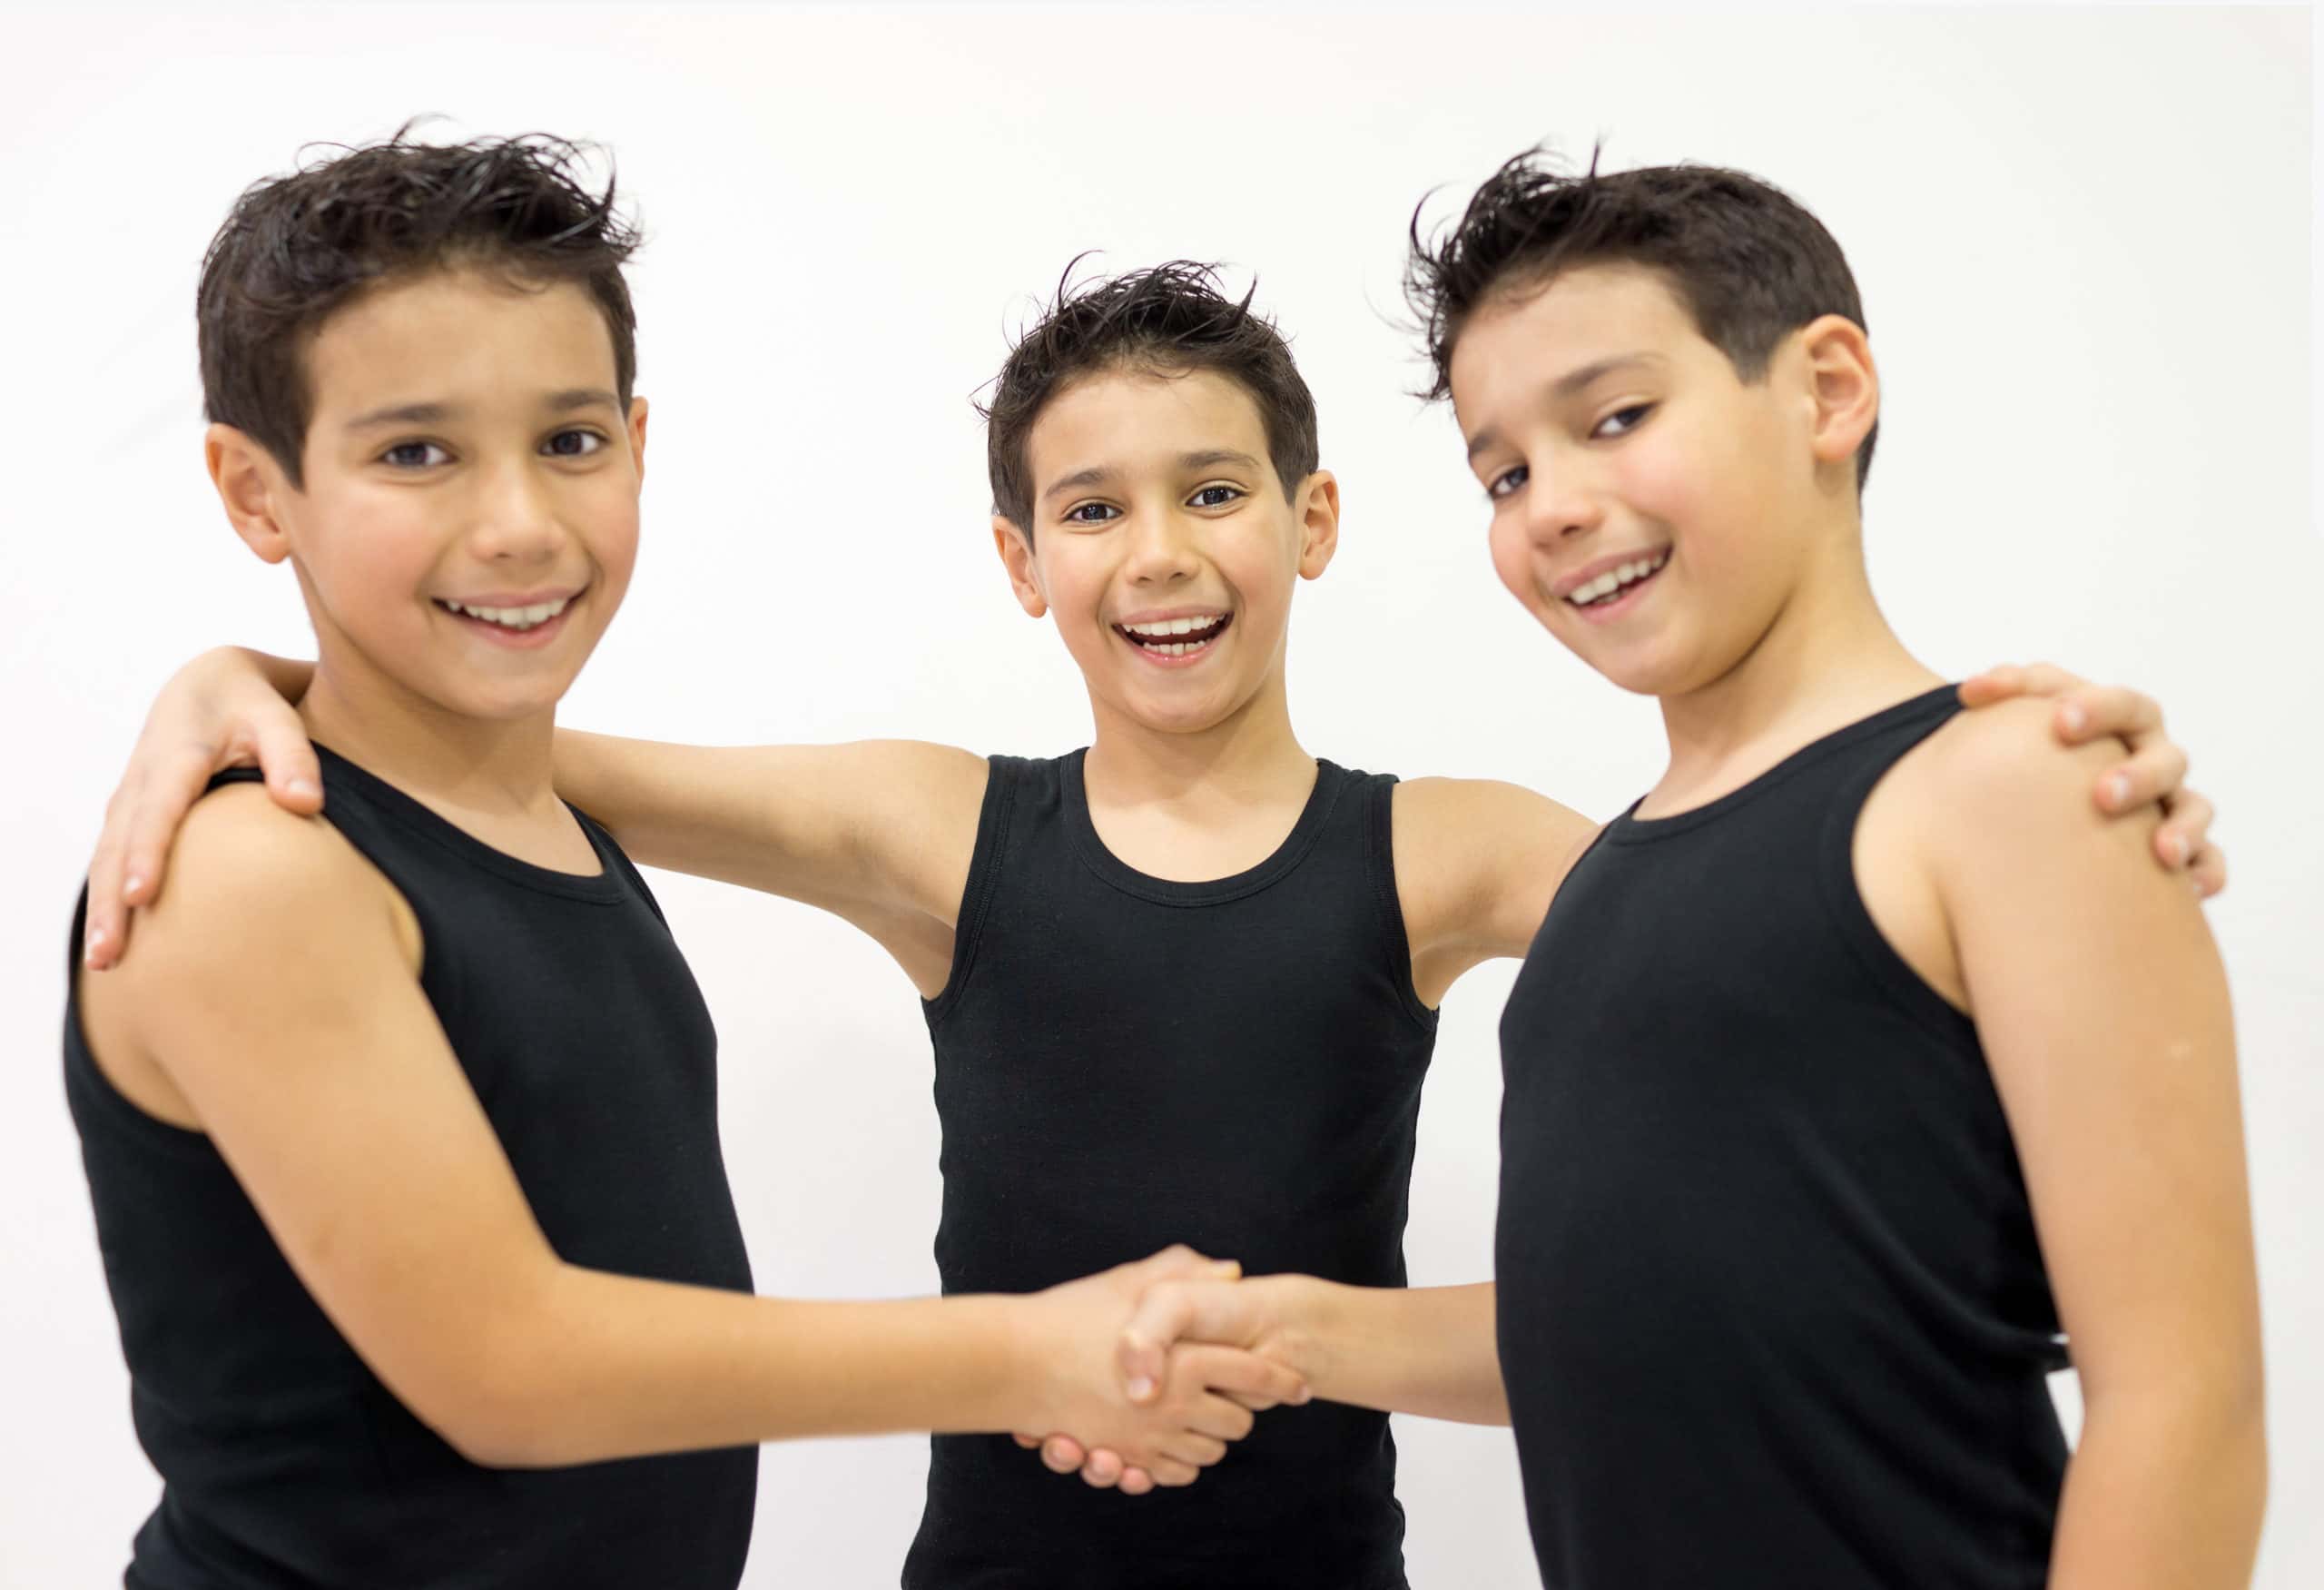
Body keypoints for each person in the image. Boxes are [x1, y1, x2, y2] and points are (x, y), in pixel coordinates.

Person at [83, 256, 2221, 1587]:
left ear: (1309, 521)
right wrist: (232, 680)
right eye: (1091, 510)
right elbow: (514, 749)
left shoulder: (1458, 852)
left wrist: (1996, 783)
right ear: (1023, 564)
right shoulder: (939, 834)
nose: (1159, 555)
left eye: (1212, 493)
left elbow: (1784, 951)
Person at [62, 135, 1300, 1590]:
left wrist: (239, 671)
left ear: (638, 443)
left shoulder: (540, 818)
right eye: (416, 453)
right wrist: (1035, 1355)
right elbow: (512, 1368)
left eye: (569, 442)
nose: (519, 524)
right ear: (255, 490)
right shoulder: (254, 875)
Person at [1104, 151, 2265, 1588]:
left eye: (1616, 418)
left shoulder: (2012, 787)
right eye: (1506, 472)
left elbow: (2183, 1404)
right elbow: (1619, 1326)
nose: (1552, 505)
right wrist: (1280, 1330)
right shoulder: (1602, 885)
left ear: (1827, 390)